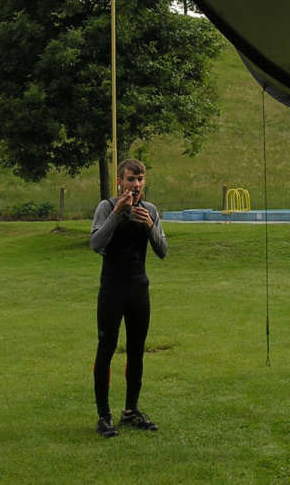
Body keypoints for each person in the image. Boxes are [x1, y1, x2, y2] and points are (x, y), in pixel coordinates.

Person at [89, 158, 168, 437]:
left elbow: (163, 251)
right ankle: (104, 416)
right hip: (112, 290)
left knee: (136, 351)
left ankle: (131, 411)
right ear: (119, 182)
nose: (136, 185)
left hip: (138, 290)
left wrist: (150, 228)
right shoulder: (106, 207)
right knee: (106, 349)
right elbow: (96, 244)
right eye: (131, 179)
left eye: (140, 179)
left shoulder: (150, 210)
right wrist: (117, 214)